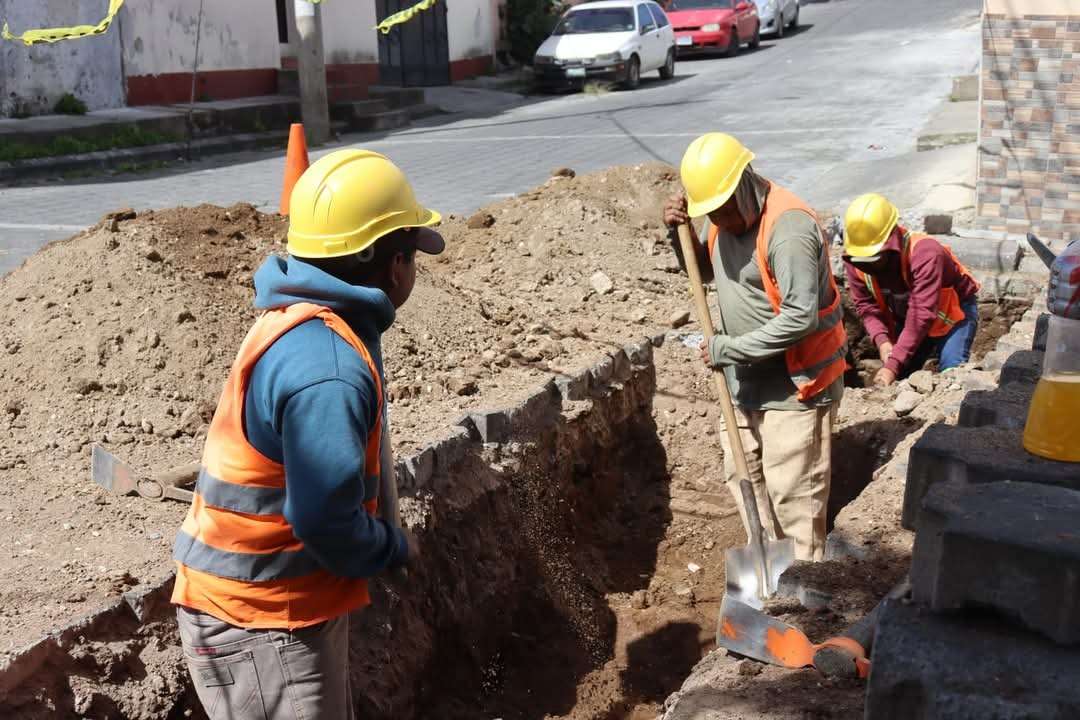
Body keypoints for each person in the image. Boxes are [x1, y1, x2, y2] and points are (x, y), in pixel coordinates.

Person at [171, 148, 444, 720]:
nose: (413, 271)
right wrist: (389, 547)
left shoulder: (300, 319)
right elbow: (323, 517)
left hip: (263, 606)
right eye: (412, 257)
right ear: (391, 263)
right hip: (262, 619)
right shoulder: (328, 367)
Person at [663, 132, 846, 562]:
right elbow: (710, 271)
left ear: (746, 180)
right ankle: (765, 580)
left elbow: (800, 317)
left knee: (792, 498)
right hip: (742, 388)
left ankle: (802, 598)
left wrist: (731, 349)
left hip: (795, 388)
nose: (719, 220)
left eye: (723, 208)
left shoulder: (789, 229)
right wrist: (682, 233)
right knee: (748, 488)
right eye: (709, 212)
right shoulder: (721, 215)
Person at [842, 193, 980, 386]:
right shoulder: (855, 258)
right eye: (862, 260)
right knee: (902, 375)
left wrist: (892, 364)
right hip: (909, 317)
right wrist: (882, 342)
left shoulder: (925, 253)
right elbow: (866, 306)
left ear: (891, 239)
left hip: (953, 316)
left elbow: (921, 313)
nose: (867, 266)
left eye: (875, 259)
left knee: (950, 377)